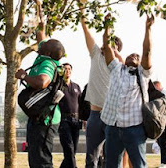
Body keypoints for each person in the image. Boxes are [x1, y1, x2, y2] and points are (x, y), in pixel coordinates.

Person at [101, 15, 155, 168]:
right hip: (112, 126)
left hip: (134, 128)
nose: (134, 55)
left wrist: (148, 28)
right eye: (131, 54)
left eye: (137, 56)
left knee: (138, 165)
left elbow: (147, 52)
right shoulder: (116, 68)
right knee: (111, 165)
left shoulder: (142, 74)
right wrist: (107, 26)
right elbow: (106, 46)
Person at [15, 21, 65, 168]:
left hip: (45, 119)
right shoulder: (43, 56)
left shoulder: (48, 64)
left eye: (46, 44)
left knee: (42, 161)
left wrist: (24, 76)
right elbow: (40, 34)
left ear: (48, 52)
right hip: (38, 118)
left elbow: (42, 82)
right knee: (35, 159)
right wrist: (40, 15)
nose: (42, 43)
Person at [80, 10, 123, 168]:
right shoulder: (96, 54)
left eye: (112, 45)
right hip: (95, 115)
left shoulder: (119, 66)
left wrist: (117, 54)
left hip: (113, 116)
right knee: (91, 158)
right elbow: (86, 30)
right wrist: (82, 13)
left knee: (112, 157)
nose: (107, 45)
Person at [58, 63, 82, 168]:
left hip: (76, 121)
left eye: (69, 69)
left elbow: (81, 103)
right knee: (69, 148)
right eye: (65, 69)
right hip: (64, 120)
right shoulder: (58, 85)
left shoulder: (76, 86)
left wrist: (84, 118)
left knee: (73, 151)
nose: (67, 71)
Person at [153, 80, 166, 168]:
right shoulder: (160, 93)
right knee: (161, 142)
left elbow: (162, 103)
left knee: (164, 142)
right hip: (160, 121)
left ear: (157, 86)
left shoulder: (165, 92)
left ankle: (164, 163)